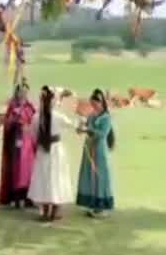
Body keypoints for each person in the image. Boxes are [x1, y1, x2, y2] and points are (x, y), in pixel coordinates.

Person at [27, 85, 75, 222]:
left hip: (43, 150)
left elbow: (32, 134)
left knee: (44, 178)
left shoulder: (36, 117)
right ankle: (54, 210)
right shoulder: (58, 116)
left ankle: (45, 211)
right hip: (56, 150)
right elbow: (72, 125)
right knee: (56, 177)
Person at [76, 88, 116, 218]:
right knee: (89, 175)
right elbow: (86, 129)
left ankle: (101, 206)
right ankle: (91, 204)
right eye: (92, 104)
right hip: (89, 148)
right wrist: (80, 129)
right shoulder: (91, 115)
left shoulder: (106, 117)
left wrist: (89, 129)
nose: (93, 106)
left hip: (99, 150)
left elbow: (102, 133)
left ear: (101, 102)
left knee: (100, 175)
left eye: (95, 103)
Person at [0, 81, 37, 209]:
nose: (23, 93)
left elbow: (35, 121)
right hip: (17, 140)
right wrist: (15, 119)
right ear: (17, 92)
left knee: (29, 169)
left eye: (25, 91)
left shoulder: (30, 106)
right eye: (21, 91)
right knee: (17, 168)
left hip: (29, 142)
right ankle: (16, 198)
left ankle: (28, 197)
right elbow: (7, 122)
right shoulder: (13, 106)